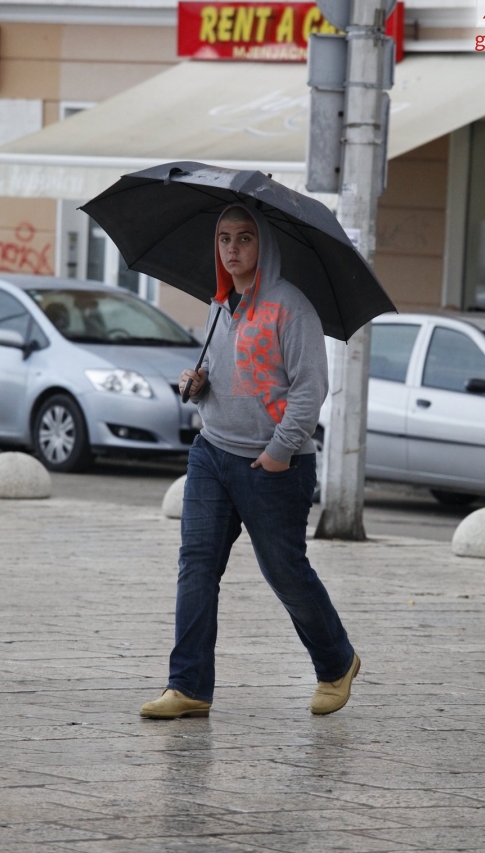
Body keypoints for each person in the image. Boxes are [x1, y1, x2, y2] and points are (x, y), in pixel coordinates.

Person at [140, 204, 359, 720]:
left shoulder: (290, 307)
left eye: (244, 238)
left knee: (284, 571)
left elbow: (310, 388)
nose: (232, 249)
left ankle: (337, 663)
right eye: (224, 239)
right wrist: (197, 385)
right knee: (196, 566)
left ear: (265, 245)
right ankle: (188, 685)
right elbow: (221, 372)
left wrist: (280, 452)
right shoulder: (220, 304)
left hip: (272, 466)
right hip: (212, 453)